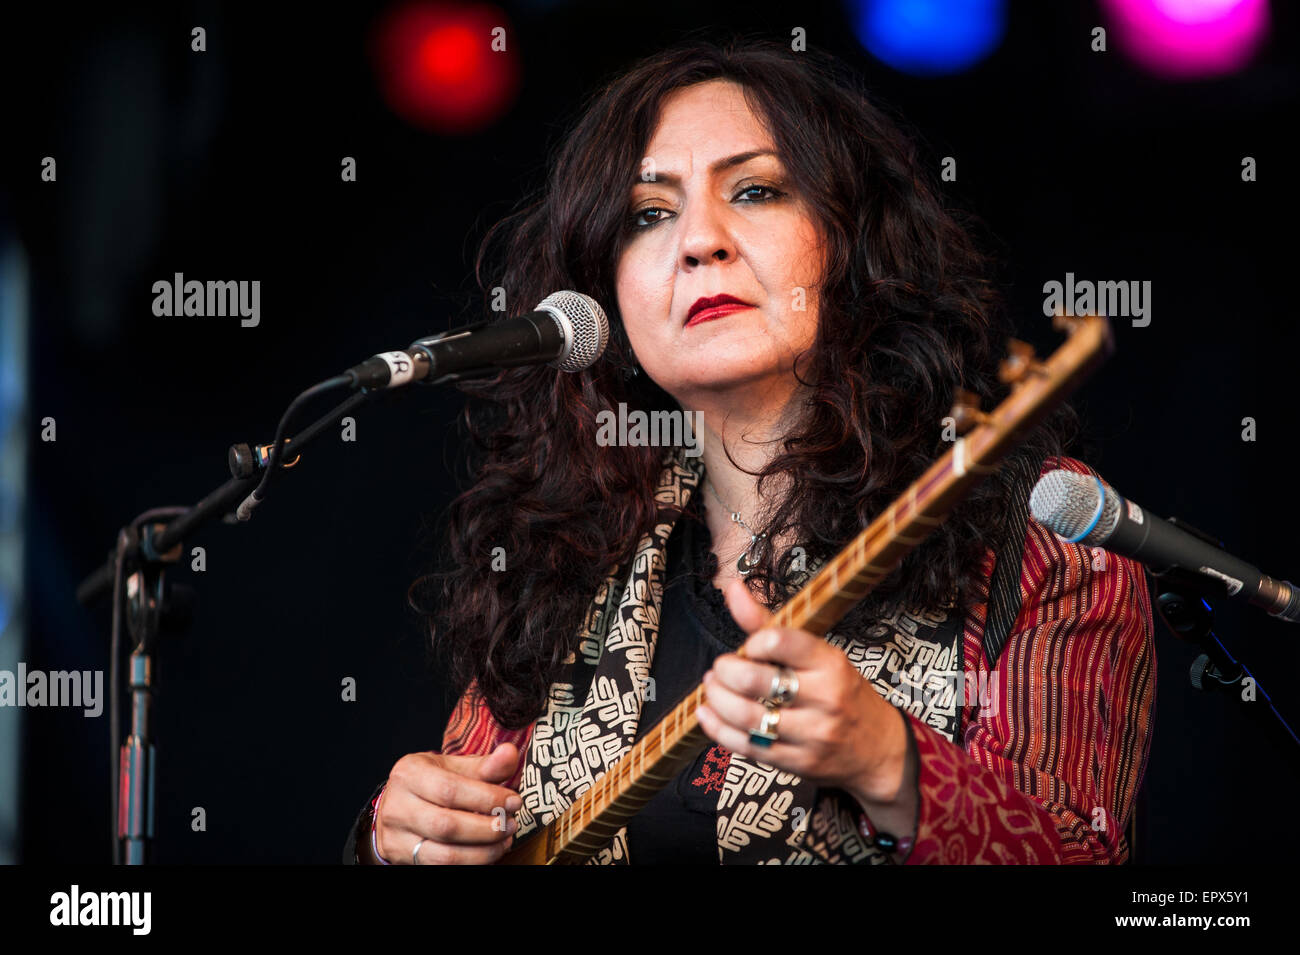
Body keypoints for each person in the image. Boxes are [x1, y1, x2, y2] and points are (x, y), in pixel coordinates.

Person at [344, 36, 1155, 865]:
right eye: (648, 215)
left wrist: (889, 761)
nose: (700, 241)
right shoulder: (566, 546)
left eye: (757, 190)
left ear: (855, 242)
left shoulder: (1040, 527)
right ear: (606, 299)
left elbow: (1079, 852)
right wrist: (392, 838)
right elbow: (465, 813)